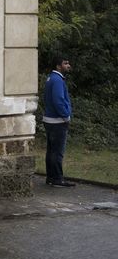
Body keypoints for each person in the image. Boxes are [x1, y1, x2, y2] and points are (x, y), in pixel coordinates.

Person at [42, 55, 76, 187]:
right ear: (58, 66)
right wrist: (66, 115)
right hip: (57, 121)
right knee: (57, 152)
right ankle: (57, 179)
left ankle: (51, 177)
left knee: (51, 151)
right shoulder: (57, 80)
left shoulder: (51, 78)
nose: (68, 65)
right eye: (65, 63)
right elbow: (58, 100)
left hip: (49, 120)